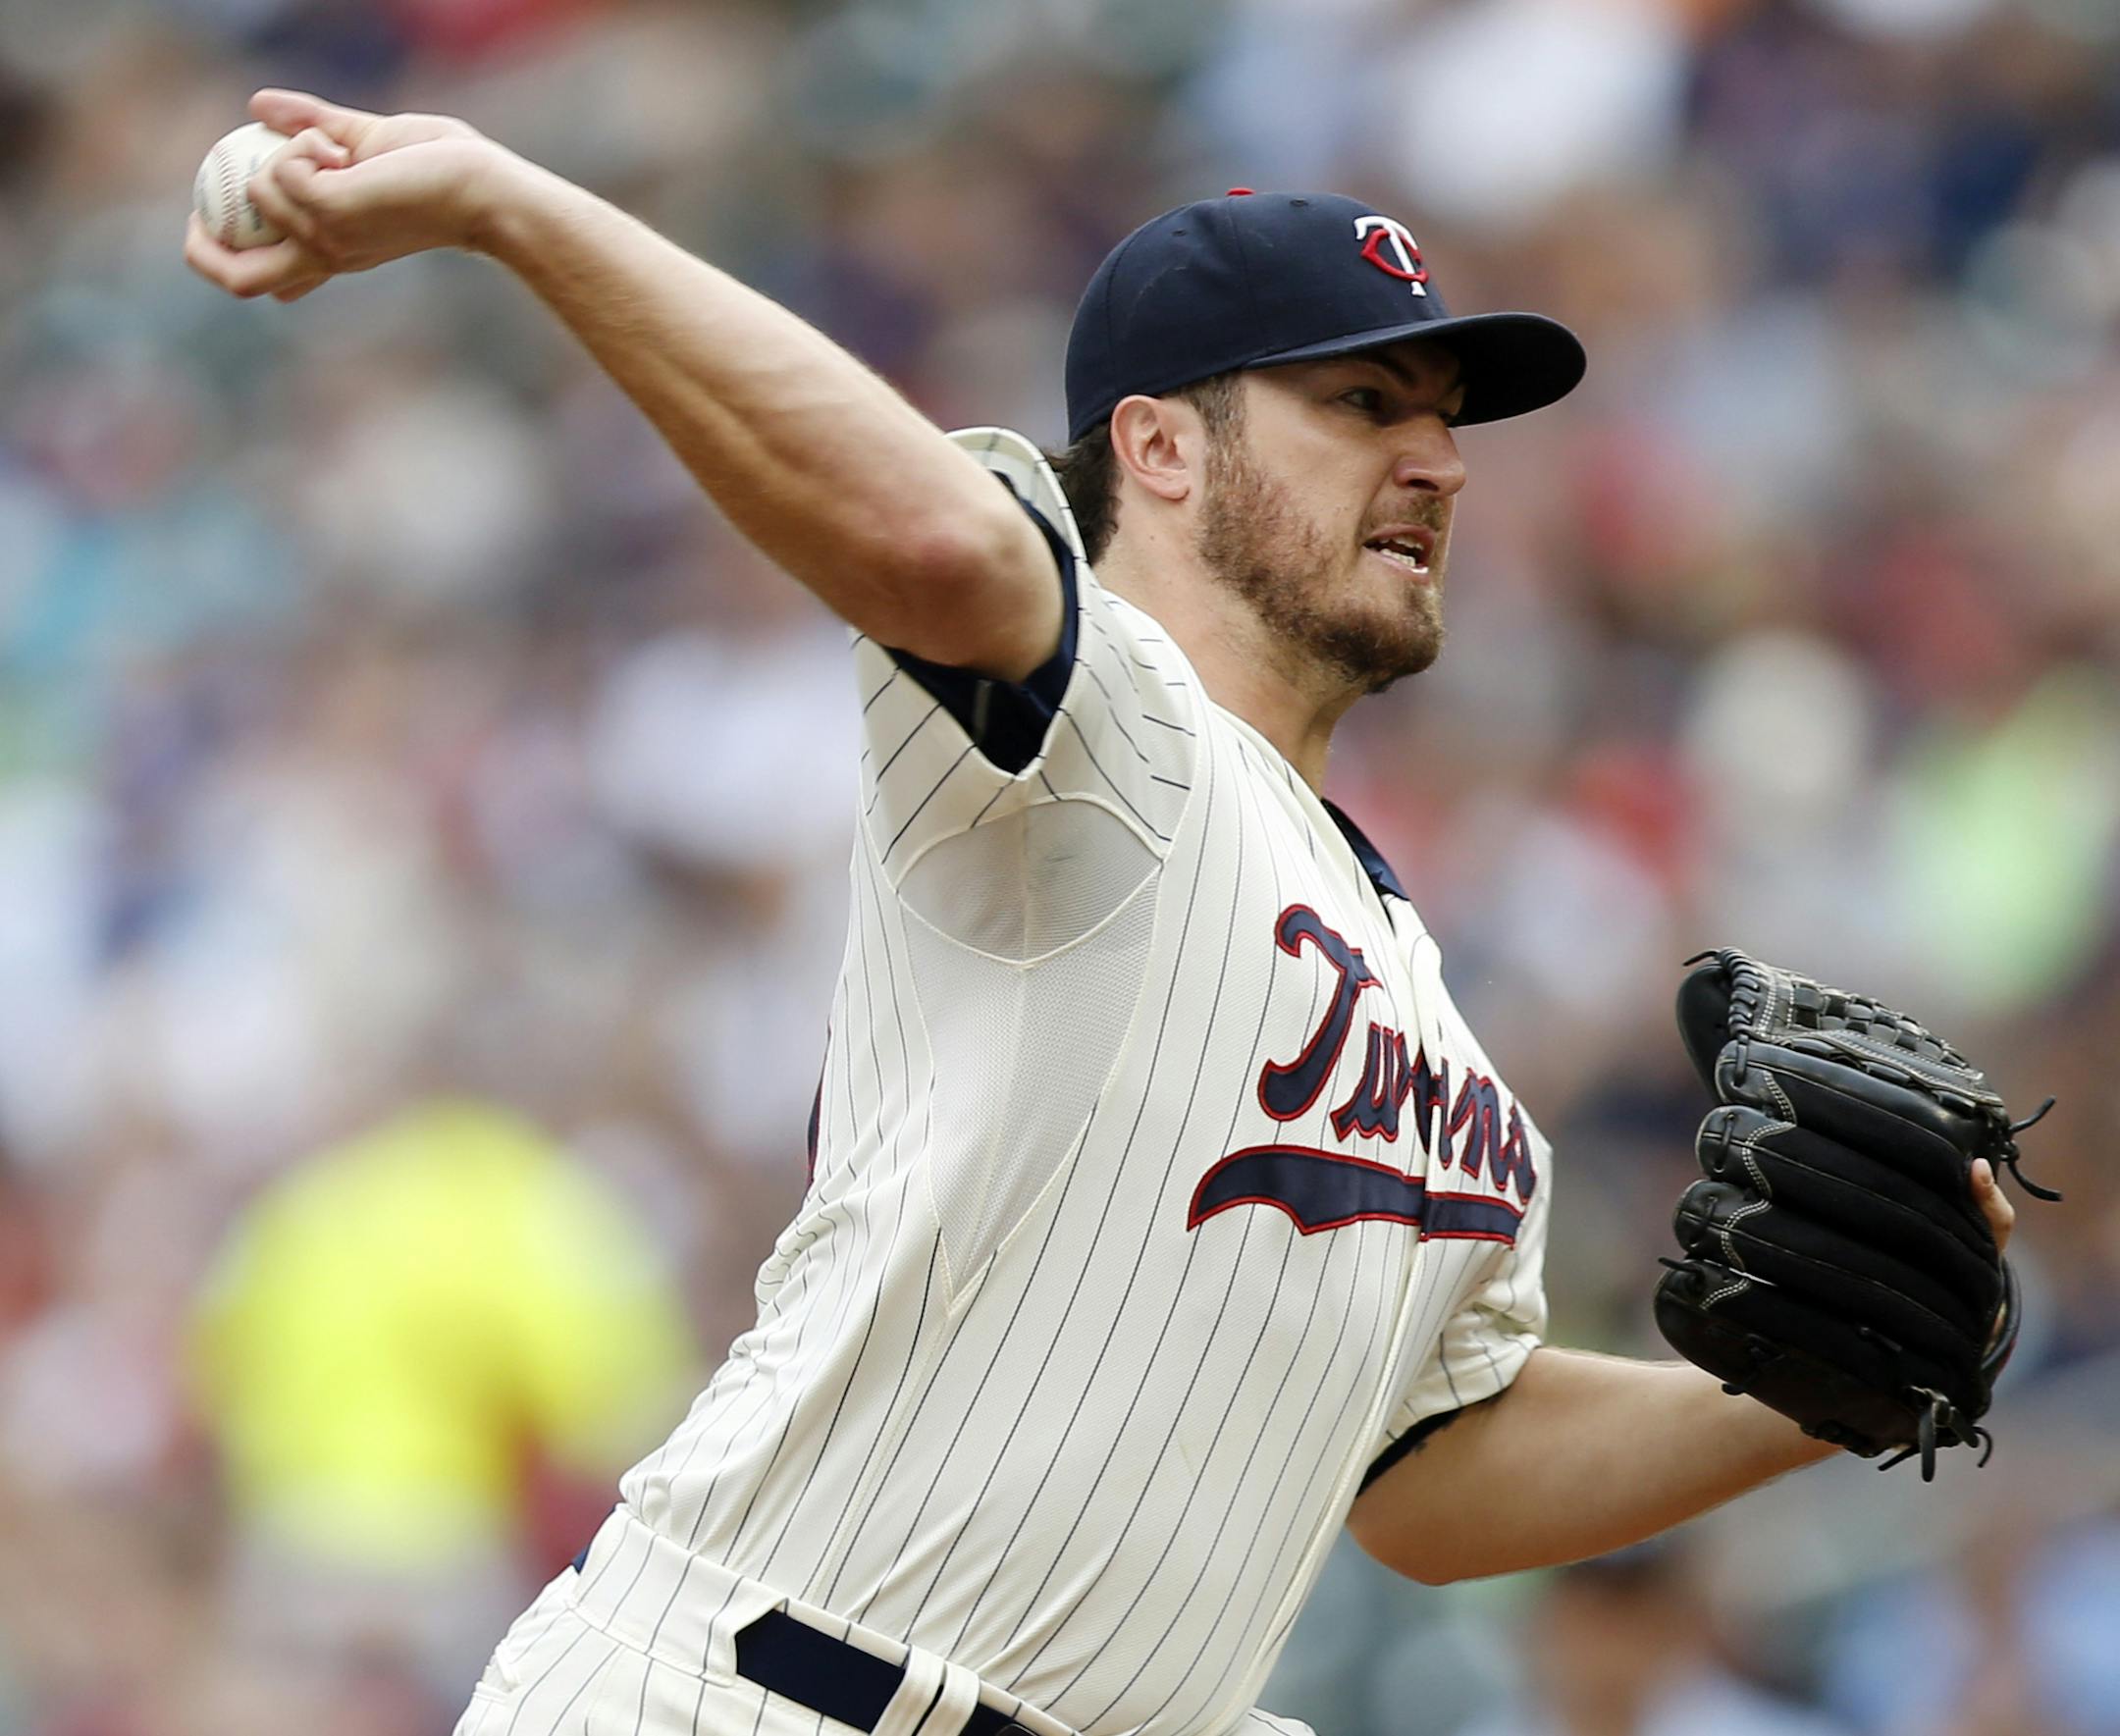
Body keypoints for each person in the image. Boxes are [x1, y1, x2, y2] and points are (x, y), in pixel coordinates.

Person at [185, 91, 2018, 1736]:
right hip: (761, 1687)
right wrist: (517, 203)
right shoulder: (1100, 717)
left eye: (1447, 420)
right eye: (1362, 401)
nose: (1440, 462)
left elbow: (1431, 1478)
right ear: (1156, 448)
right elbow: (931, 550)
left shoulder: (1424, 1000)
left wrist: (1801, 1397)